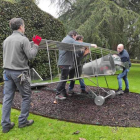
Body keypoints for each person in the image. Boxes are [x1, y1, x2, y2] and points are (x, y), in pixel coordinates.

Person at [1, 18, 42, 133]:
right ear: (20, 27)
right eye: (24, 26)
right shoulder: (23, 39)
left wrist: (31, 44)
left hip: (7, 72)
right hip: (19, 73)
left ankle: (5, 125)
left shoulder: (6, 40)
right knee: (26, 96)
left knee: (7, 98)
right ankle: (23, 121)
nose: (24, 28)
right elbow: (31, 55)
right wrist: (36, 44)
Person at [56, 30, 97, 100]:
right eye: (76, 37)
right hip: (65, 63)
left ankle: (64, 93)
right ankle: (57, 94)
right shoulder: (69, 39)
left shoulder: (66, 39)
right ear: (73, 35)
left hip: (65, 63)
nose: (75, 39)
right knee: (63, 79)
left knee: (64, 79)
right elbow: (78, 43)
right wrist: (91, 45)